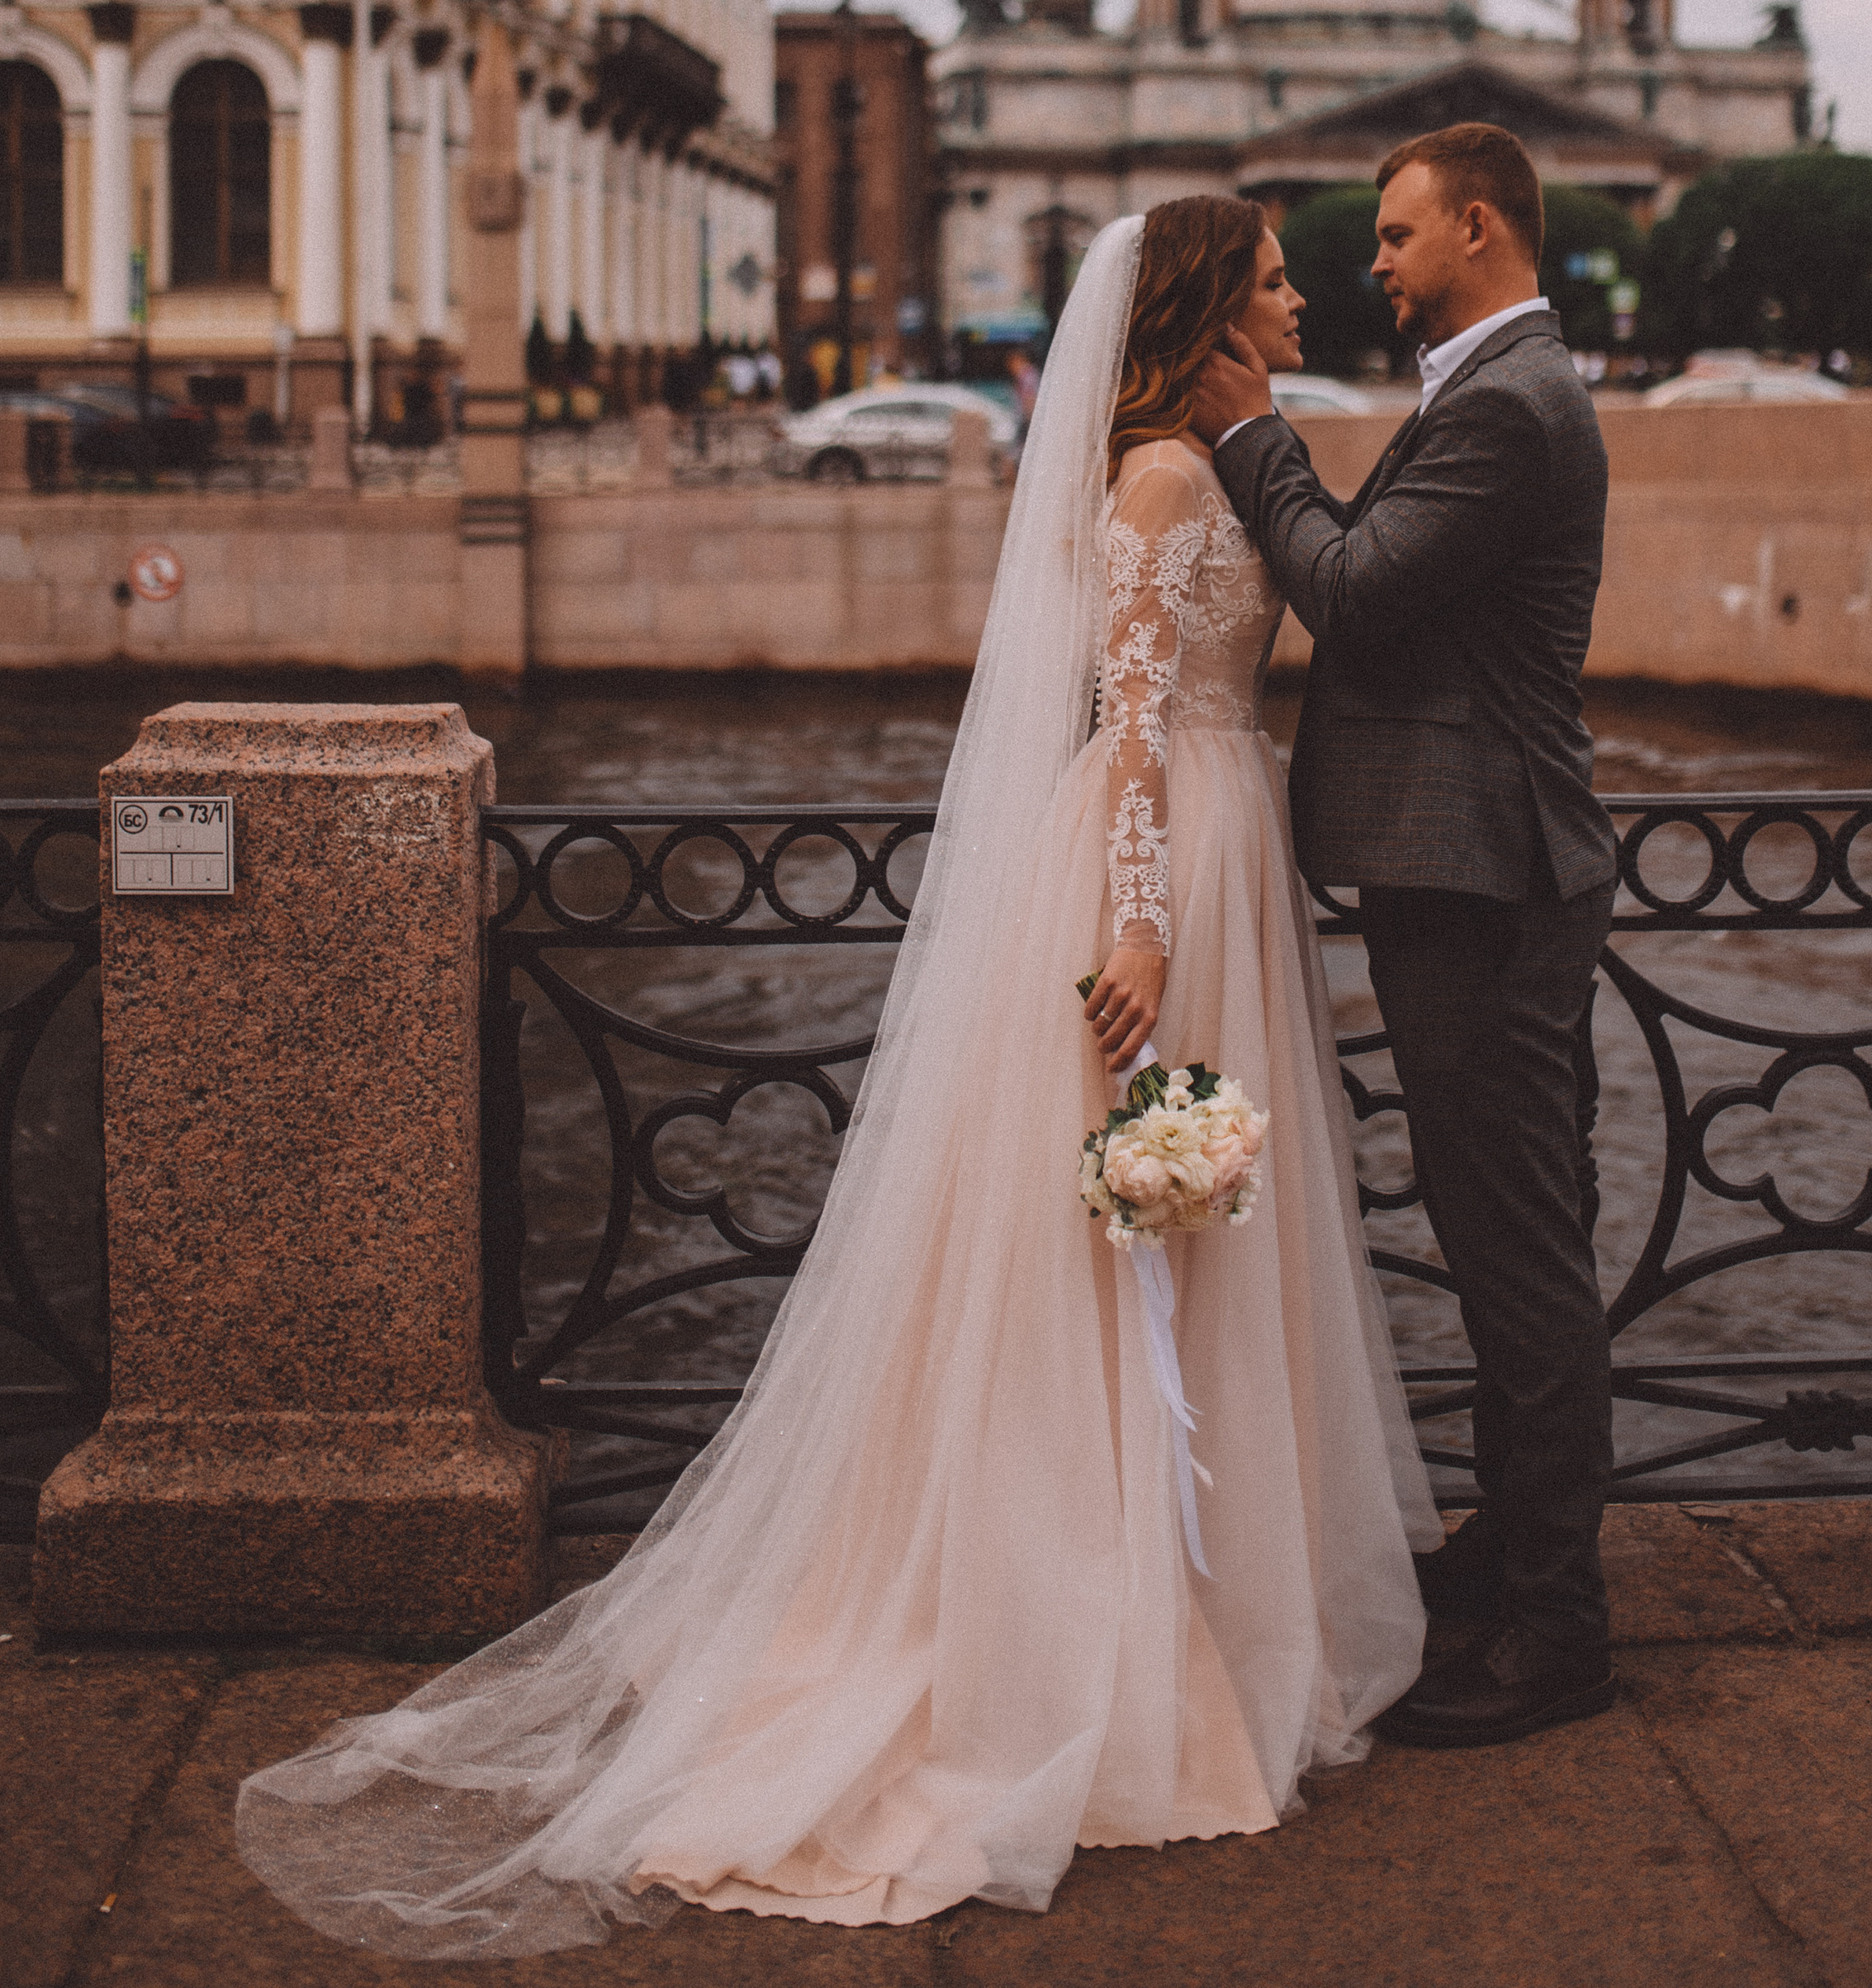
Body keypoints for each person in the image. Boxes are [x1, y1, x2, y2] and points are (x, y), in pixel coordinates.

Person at [237, 197, 1436, 1959]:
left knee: (1205, 1230)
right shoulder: (1163, 488)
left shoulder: (1229, 454)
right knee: (1122, 1240)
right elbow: (1121, 725)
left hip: (1225, 842)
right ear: (1199, 307)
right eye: (1269, 274)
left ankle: (1203, 1586)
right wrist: (1138, 934)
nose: (1302, 290)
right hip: (1166, 863)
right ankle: (1099, 1613)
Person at [1189, 124, 1618, 1750]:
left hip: (1486, 881)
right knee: (1509, 1235)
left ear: (1480, 229)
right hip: (1472, 873)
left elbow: (1355, 591)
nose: (1369, 260)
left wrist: (1253, 439)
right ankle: (1510, 1557)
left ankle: (1555, 1629)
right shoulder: (1490, 389)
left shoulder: (1509, 403)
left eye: (1392, 231)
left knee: (1513, 1258)